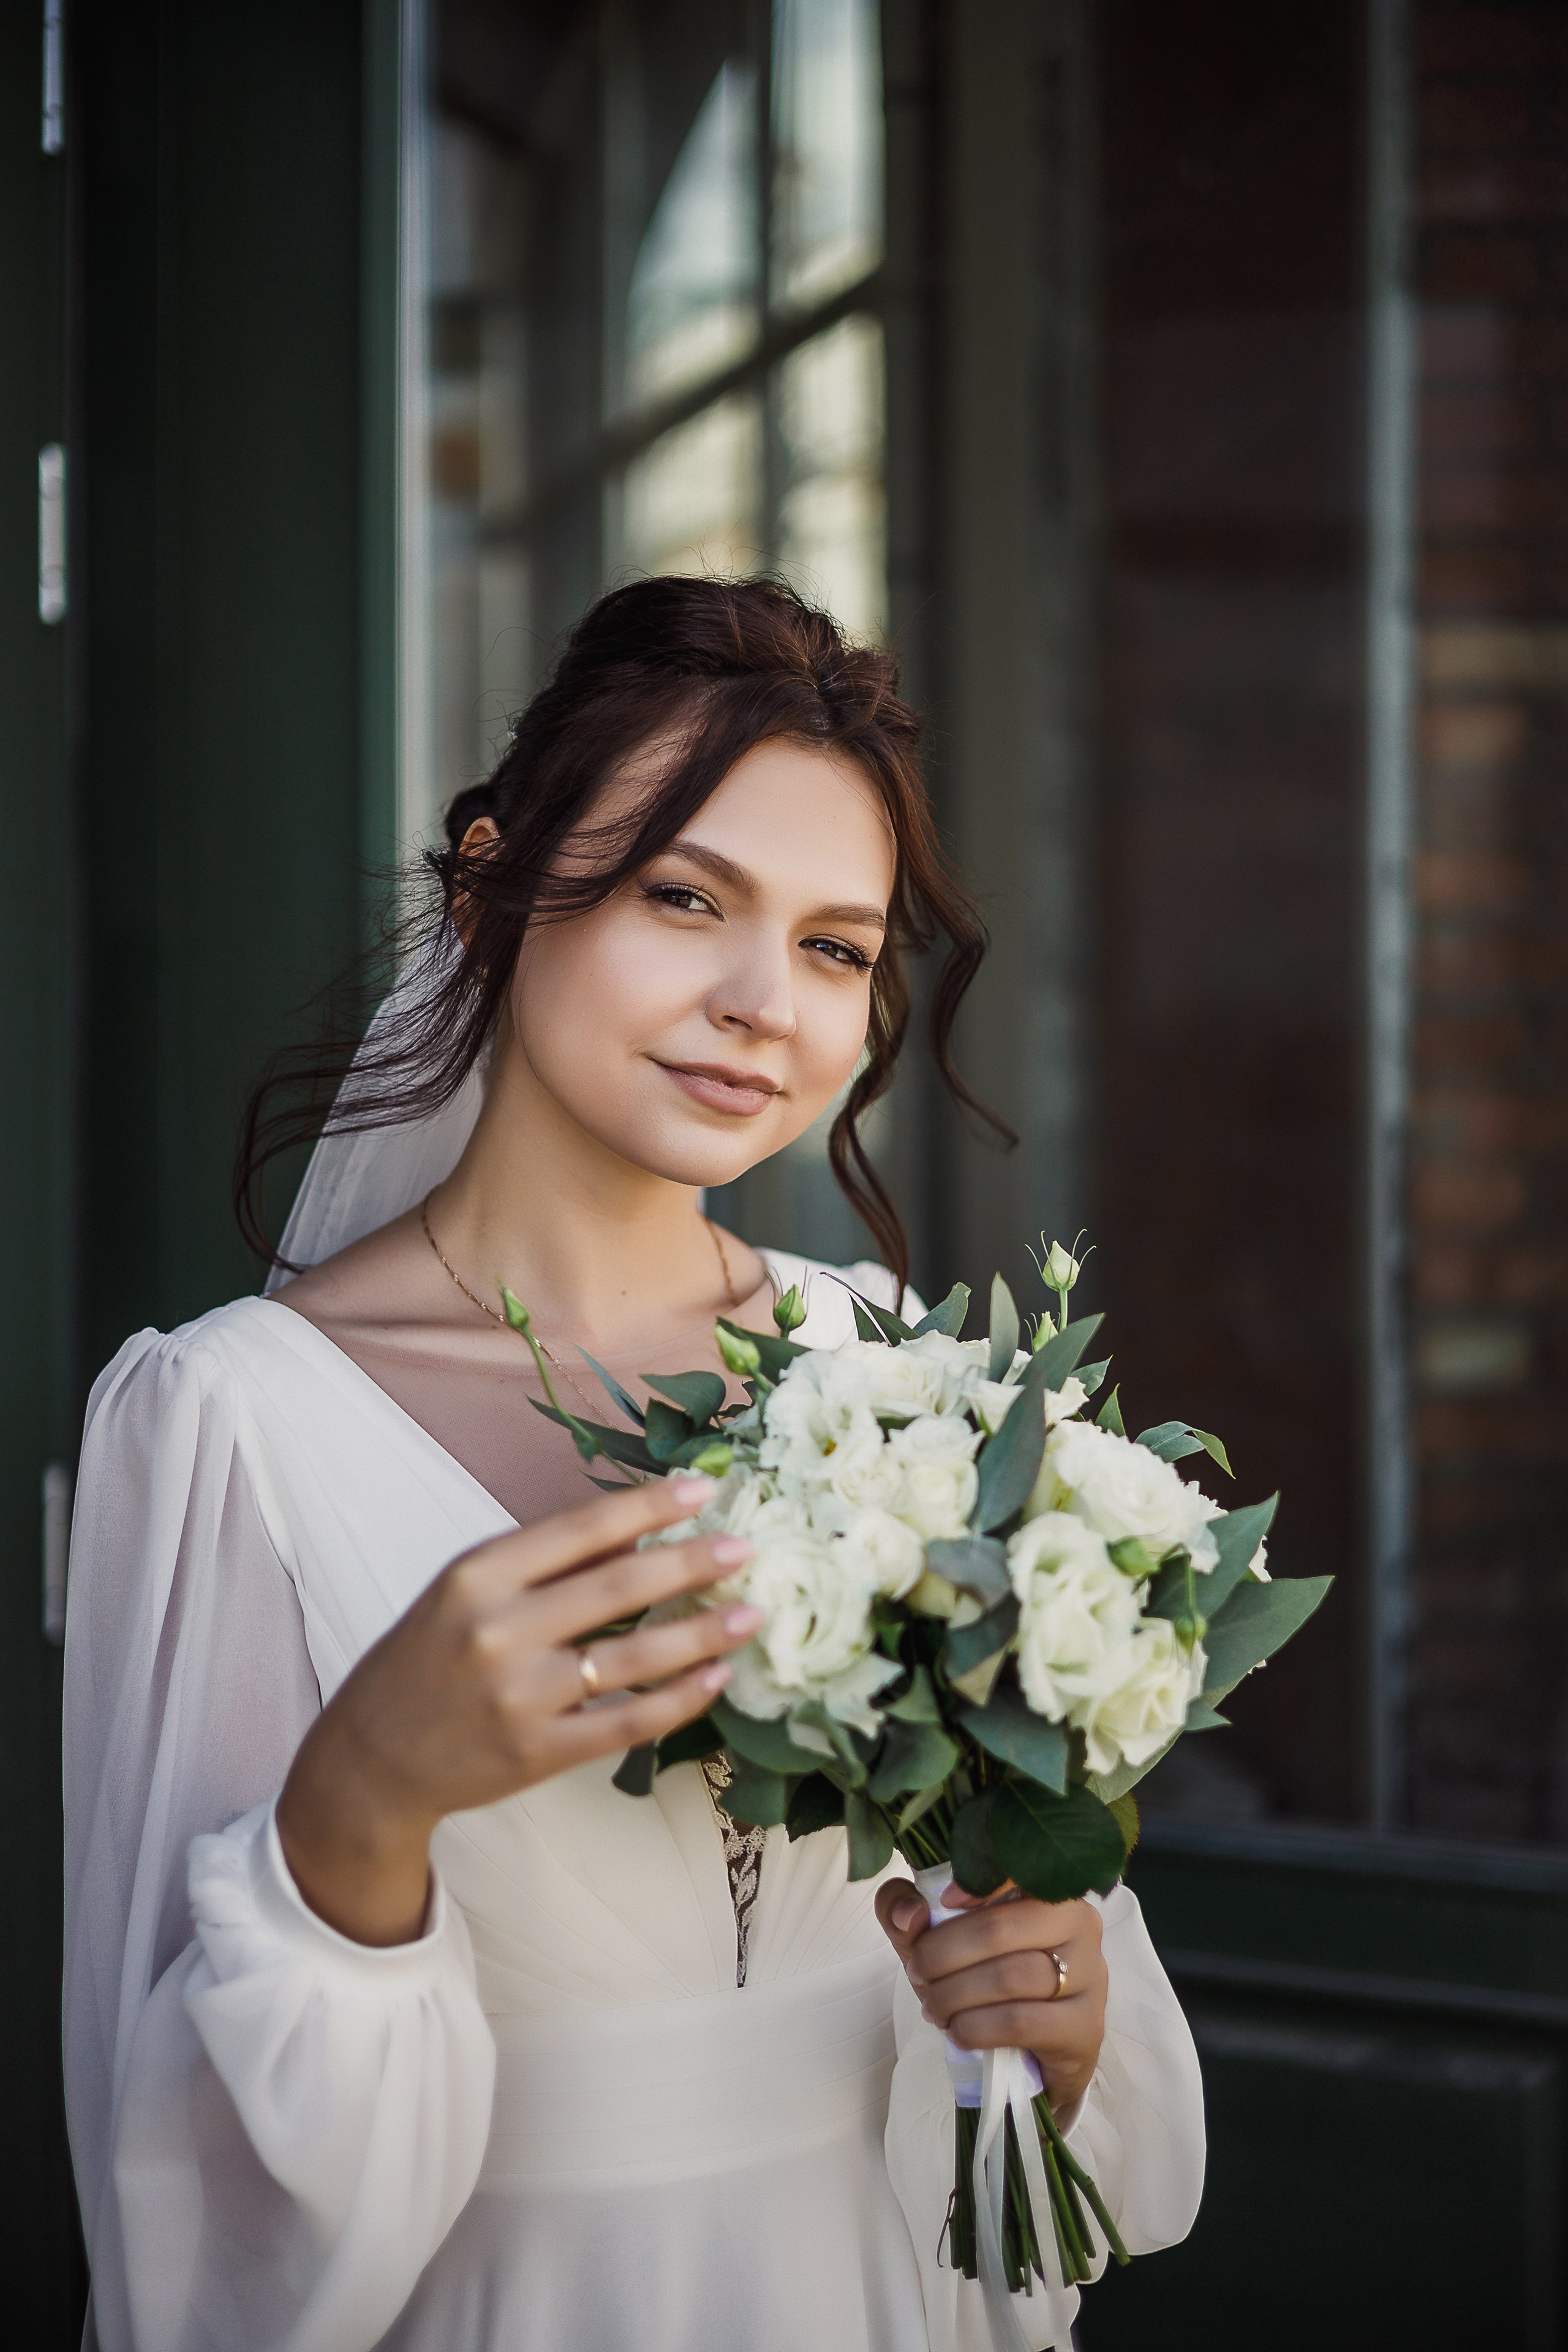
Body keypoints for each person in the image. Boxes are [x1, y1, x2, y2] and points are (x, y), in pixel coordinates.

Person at [63, 578, 1204, 2352]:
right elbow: (188, 2230)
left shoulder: (894, 1371)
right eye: (687, 898)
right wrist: (364, 1806)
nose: (766, 1003)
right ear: (491, 881)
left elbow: (1034, 2050)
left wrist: (1050, 2030)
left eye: (837, 946)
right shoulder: (231, 1427)